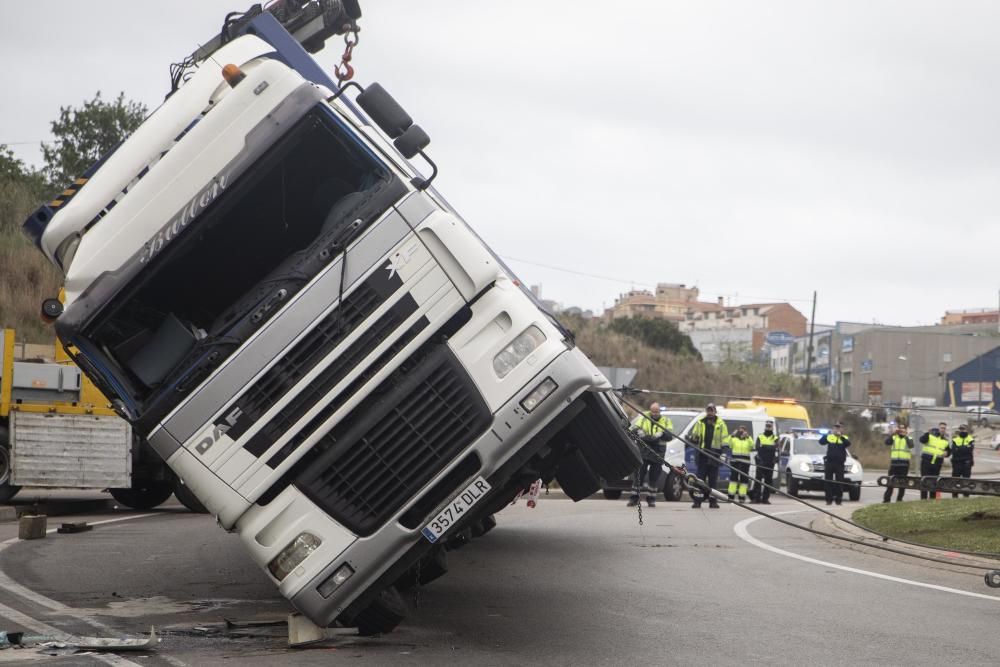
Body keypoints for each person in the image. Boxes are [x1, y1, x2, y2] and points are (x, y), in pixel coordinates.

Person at [628, 403, 673, 508]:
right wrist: (640, 432)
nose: (654, 414)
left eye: (656, 412)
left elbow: (669, 436)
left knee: (654, 477)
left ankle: (651, 499)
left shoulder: (666, 421)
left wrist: (661, 434)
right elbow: (633, 430)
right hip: (644, 452)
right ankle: (634, 498)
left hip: (658, 453)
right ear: (650, 410)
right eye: (653, 411)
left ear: (659, 411)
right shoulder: (643, 418)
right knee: (639, 475)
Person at [688, 403, 729, 509]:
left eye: (712, 410)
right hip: (702, 456)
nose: (710, 413)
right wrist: (693, 439)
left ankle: (713, 501)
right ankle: (697, 501)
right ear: (706, 411)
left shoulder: (721, 424)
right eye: (708, 410)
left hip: (715, 456)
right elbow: (694, 436)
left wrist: (723, 453)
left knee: (713, 481)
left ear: (715, 412)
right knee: (699, 481)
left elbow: (724, 440)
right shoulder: (700, 423)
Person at [818, 423, 851, 506]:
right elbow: (821, 442)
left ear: (841, 430)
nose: (837, 430)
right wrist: (826, 435)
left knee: (839, 482)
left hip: (839, 464)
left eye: (838, 428)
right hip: (829, 462)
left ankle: (838, 500)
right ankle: (828, 500)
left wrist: (841, 437)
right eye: (835, 428)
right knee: (828, 481)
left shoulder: (844, 438)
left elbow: (848, 444)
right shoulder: (829, 437)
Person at [882, 423, 913, 503]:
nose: (902, 430)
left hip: (904, 465)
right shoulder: (894, 437)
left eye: (903, 428)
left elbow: (911, 445)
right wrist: (893, 433)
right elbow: (887, 442)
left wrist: (906, 435)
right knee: (890, 482)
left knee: (902, 484)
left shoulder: (909, 437)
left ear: (906, 430)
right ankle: (886, 500)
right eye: (900, 428)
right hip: (894, 464)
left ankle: (899, 499)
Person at [918, 422, 949, 500]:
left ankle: (932, 499)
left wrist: (947, 453)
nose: (943, 429)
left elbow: (949, 451)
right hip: (926, 462)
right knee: (924, 481)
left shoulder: (945, 440)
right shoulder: (930, 436)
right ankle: (923, 500)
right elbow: (922, 440)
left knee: (934, 482)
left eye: (944, 428)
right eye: (941, 428)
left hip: (937, 464)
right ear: (938, 428)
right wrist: (927, 433)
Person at [751, 420, 779, 504]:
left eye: (770, 426)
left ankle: (765, 499)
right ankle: (756, 498)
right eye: (767, 426)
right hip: (761, 462)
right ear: (765, 426)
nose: (768, 427)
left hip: (770, 463)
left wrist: (765, 448)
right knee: (758, 481)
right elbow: (757, 448)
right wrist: (770, 448)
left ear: (772, 427)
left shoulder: (775, 438)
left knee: (768, 481)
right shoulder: (760, 437)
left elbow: (777, 450)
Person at [947, 424, 975, 498]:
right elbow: (954, 451)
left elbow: (969, 450)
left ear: (967, 430)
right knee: (955, 480)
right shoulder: (955, 439)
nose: (962, 431)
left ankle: (965, 496)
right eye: (961, 429)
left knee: (966, 481)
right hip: (956, 462)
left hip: (966, 463)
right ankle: (955, 496)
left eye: (963, 429)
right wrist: (964, 448)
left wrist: (959, 448)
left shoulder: (970, 439)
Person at [727, 425, 754, 502]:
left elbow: (752, 446)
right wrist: (732, 435)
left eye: (743, 430)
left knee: (744, 480)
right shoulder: (734, 439)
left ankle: (742, 497)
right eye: (740, 430)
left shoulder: (748, 439)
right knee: (733, 479)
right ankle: (731, 496)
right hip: (735, 462)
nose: (741, 431)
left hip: (745, 463)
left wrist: (748, 437)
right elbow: (729, 444)